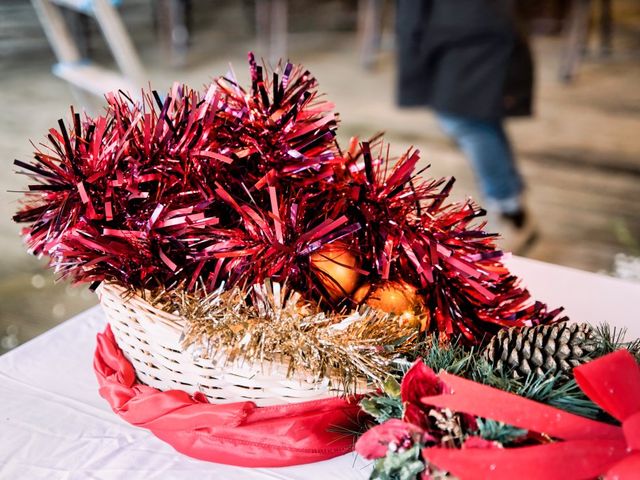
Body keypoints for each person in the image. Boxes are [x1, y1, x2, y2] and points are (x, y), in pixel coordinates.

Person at [395, 0, 537, 253]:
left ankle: (509, 209)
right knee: (480, 119)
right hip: (476, 27)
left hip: (471, 32)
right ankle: (511, 204)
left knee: (468, 121)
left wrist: (413, 73)